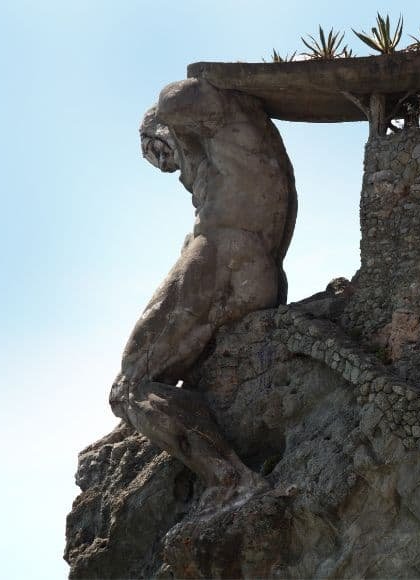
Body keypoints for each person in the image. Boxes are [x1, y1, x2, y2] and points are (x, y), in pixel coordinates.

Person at [109, 78, 297, 493]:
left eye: (165, 158)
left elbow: (177, 100)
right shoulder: (250, 148)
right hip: (260, 271)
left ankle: (229, 479)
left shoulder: (199, 110)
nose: (177, 174)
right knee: (174, 372)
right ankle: (173, 427)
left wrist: (162, 125)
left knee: (128, 387)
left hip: (221, 259)